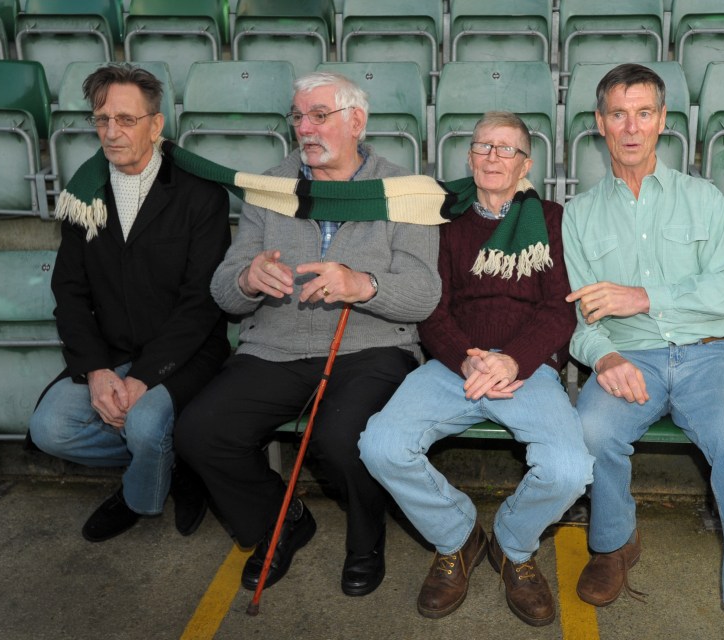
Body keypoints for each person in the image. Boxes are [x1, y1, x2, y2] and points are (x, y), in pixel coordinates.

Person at [173, 71, 441, 598]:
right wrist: (249, 280)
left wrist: (362, 284)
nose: (305, 128)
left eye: (320, 116)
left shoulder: (406, 191)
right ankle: (279, 523)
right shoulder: (270, 188)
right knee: (199, 432)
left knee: (343, 440)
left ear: (356, 121)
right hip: (276, 345)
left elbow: (424, 294)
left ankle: (366, 540)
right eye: (298, 117)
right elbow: (224, 291)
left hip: (373, 346)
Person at [561, 64, 724, 639]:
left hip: (709, 355)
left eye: (643, 112)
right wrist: (603, 358)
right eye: (618, 113)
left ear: (663, 122)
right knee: (589, 429)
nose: (631, 127)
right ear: (599, 124)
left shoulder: (703, 199)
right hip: (628, 356)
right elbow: (580, 318)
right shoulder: (581, 215)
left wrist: (644, 297)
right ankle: (614, 544)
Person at [359, 112, 594, 626]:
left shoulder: (553, 219)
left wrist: (513, 360)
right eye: (483, 147)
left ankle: (513, 545)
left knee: (571, 470)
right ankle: (458, 537)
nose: (493, 157)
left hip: (526, 369)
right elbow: (431, 307)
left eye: (506, 149)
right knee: (380, 445)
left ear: (526, 164)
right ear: (469, 157)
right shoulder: (442, 218)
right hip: (453, 364)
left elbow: (560, 309)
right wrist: (466, 356)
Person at [28, 64, 231, 543]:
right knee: (49, 427)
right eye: (102, 120)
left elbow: (201, 303)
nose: (111, 132)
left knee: (143, 424)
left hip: (186, 353)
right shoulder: (85, 194)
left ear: (156, 125)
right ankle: (171, 462)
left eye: (126, 119)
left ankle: (139, 493)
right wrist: (97, 371)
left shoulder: (201, 196)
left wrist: (144, 378)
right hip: (113, 351)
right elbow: (70, 291)